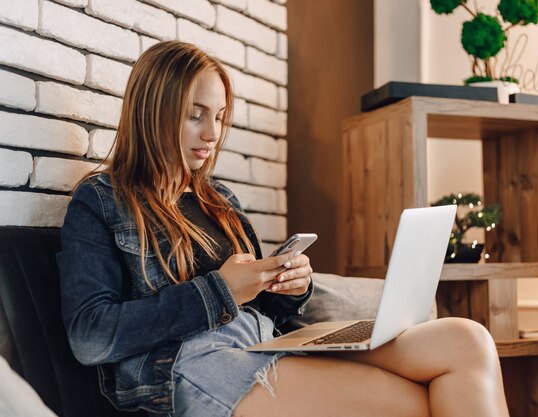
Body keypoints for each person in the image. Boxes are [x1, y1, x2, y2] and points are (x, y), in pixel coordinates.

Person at [57, 40, 510, 417]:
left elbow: (263, 307)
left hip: (265, 342)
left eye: (218, 116)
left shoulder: (219, 201)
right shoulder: (101, 200)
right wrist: (221, 290)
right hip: (193, 365)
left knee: (467, 340)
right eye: (195, 115)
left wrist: (289, 287)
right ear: (152, 111)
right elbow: (90, 336)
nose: (212, 134)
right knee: (417, 404)